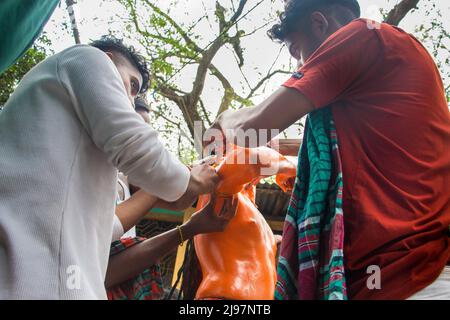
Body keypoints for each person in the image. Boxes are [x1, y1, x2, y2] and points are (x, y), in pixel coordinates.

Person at [204, 0, 450, 299]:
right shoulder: (391, 56)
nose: (298, 65)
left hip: (414, 272)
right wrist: (280, 151)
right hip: (392, 274)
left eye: (297, 49)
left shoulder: (363, 35)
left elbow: (254, 126)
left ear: (319, 23)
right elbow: (349, 139)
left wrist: (223, 121)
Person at [0, 35, 219, 299]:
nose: (129, 101)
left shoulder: (68, 153)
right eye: (132, 85)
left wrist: (180, 208)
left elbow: (106, 227)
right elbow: (133, 143)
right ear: (108, 58)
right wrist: (191, 180)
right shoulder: (85, 57)